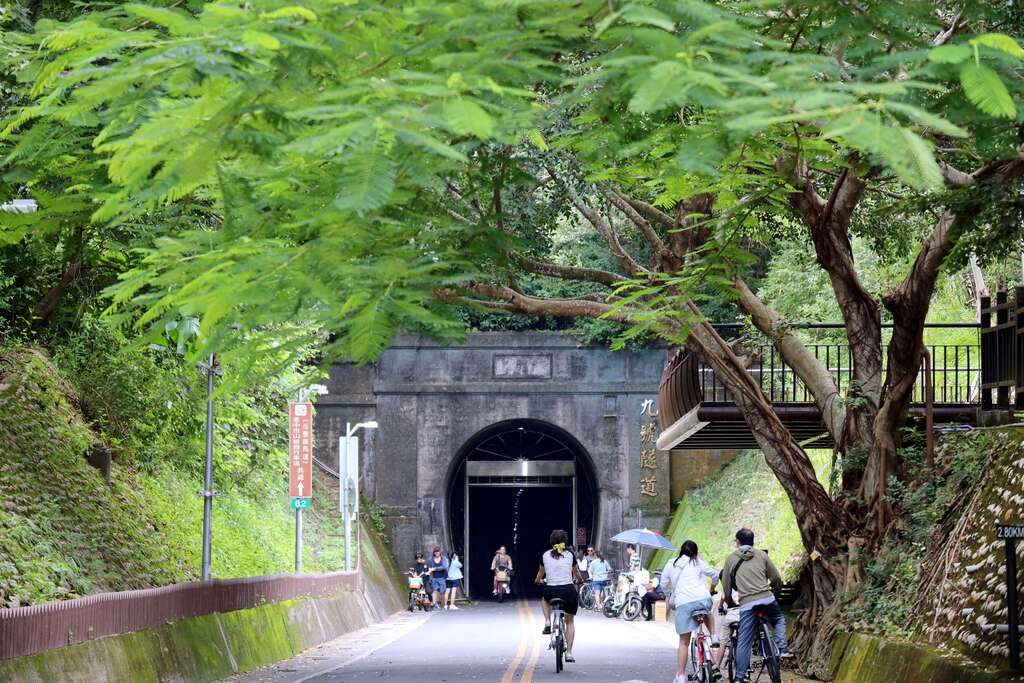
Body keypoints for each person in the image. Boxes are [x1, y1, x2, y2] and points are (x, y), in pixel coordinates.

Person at [721, 528, 792, 683]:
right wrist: (776, 592)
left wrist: (730, 601)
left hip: (747, 604)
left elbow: (726, 587)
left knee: (744, 641)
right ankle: (782, 648)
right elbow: (776, 578)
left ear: (737, 542)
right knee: (779, 619)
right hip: (767, 599)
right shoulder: (762, 555)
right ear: (752, 541)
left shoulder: (730, 559)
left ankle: (740, 677)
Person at [661, 540, 720, 683]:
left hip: (683, 604)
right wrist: (712, 589)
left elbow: (663, 583)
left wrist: (670, 594)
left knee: (683, 642)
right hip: (702, 599)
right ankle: (713, 636)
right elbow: (715, 575)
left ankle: (680, 675)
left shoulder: (671, 563)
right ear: (695, 552)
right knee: (707, 610)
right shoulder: (698, 562)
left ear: (681, 551)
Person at [535, 529, 583, 663]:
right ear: (565, 542)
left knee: (544, 599)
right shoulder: (570, 555)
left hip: (551, 591)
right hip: (568, 591)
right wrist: (579, 580)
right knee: (570, 621)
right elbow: (576, 572)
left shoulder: (545, 555)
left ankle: (547, 621)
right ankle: (569, 653)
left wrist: (537, 581)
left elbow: (540, 573)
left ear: (551, 541)